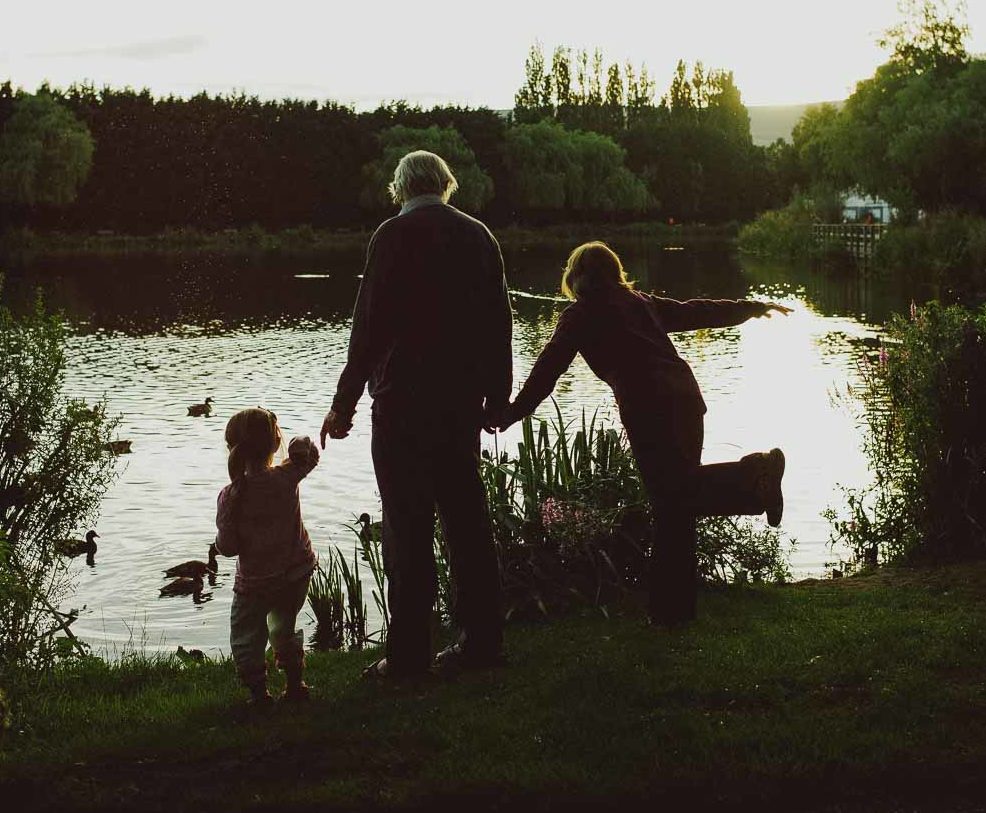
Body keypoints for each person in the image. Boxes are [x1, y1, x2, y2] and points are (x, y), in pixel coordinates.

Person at [498, 241, 791, 627]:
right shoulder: (640, 302)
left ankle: (754, 473)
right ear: (615, 271)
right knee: (678, 507)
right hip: (687, 401)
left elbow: (547, 371)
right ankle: (674, 612)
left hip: (650, 411)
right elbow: (697, 311)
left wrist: (513, 412)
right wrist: (750, 308)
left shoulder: (579, 316)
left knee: (671, 503)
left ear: (576, 277)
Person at [321, 151, 512, 678]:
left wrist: (344, 403)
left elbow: (369, 327)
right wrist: (497, 396)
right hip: (459, 404)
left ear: (400, 189)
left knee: (407, 529)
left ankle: (407, 658)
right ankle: (483, 644)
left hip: (403, 402)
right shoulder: (479, 236)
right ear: (447, 186)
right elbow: (500, 323)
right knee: (468, 525)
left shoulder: (391, 236)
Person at [215, 407, 320, 704]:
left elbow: (228, 547)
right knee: (283, 628)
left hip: (256, 582)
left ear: (231, 448)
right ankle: (295, 685)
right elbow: (309, 453)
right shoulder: (287, 476)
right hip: (296, 573)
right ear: (275, 444)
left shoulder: (231, 495)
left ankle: (260, 694)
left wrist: (218, 542)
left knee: (247, 635)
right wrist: (298, 440)